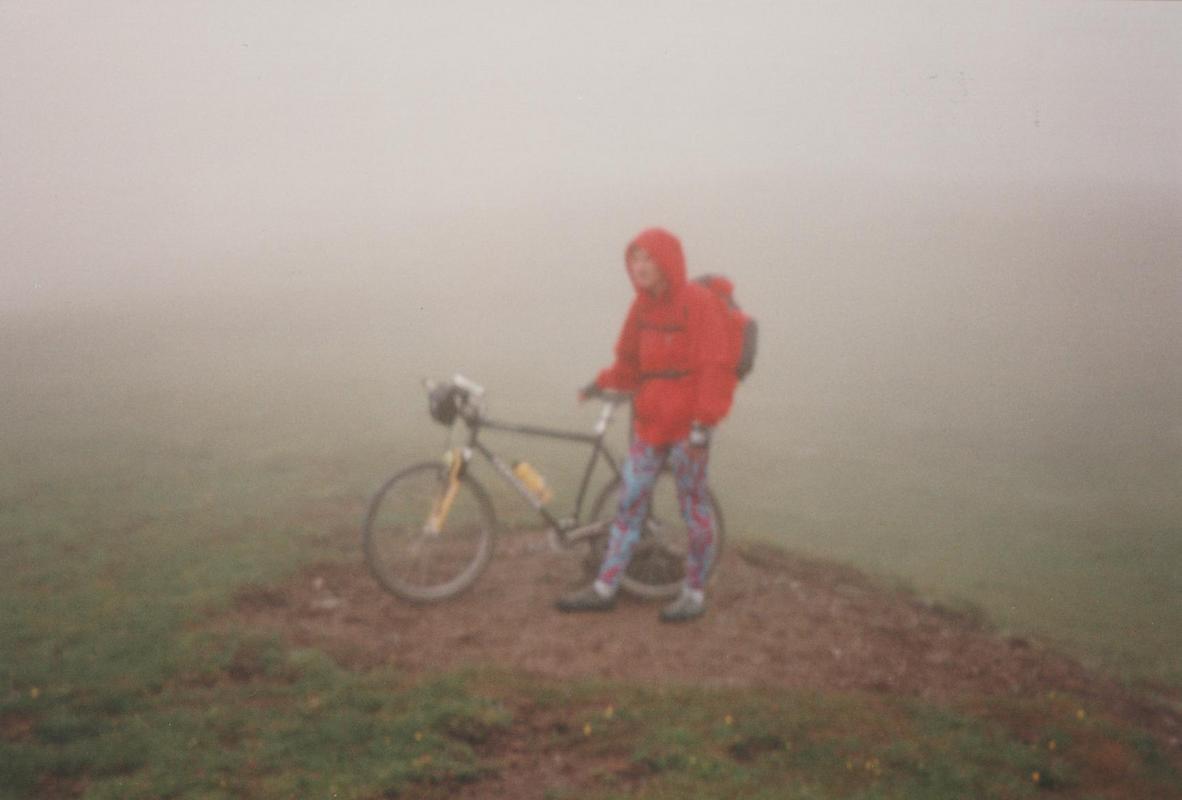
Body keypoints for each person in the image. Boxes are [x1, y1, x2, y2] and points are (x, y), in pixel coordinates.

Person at [557, 227, 735, 622]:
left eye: (648, 258)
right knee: (629, 502)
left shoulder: (699, 303)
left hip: (688, 428)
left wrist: (704, 425)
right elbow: (628, 365)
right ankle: (605, 587)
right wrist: (599, 383)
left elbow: (716, 366)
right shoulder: (640, 308)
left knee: (693, 509)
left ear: (667, 261)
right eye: (634, 259)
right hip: (651, 425)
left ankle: (693, 593)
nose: (639, 267)